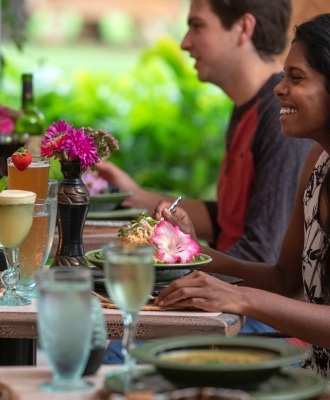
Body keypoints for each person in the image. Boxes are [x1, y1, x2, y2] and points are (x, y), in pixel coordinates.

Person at [101, 0, 313, 364]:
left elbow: (263, 257)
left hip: (265, 320)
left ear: (243, 29)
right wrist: (137, 198)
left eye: (197, 26)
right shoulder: (250, 109)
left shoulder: (283, 126)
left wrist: (176, 273)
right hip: (242, 298)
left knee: (117, 347)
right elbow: (231, 217)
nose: (184, 42)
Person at [154, 12, 330, 378]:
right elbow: (284, 279)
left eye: (296, 78)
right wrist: (192, 250)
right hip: (313, 377)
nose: (279, 89)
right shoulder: (317, 161)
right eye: (283, 76)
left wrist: (239, 297)